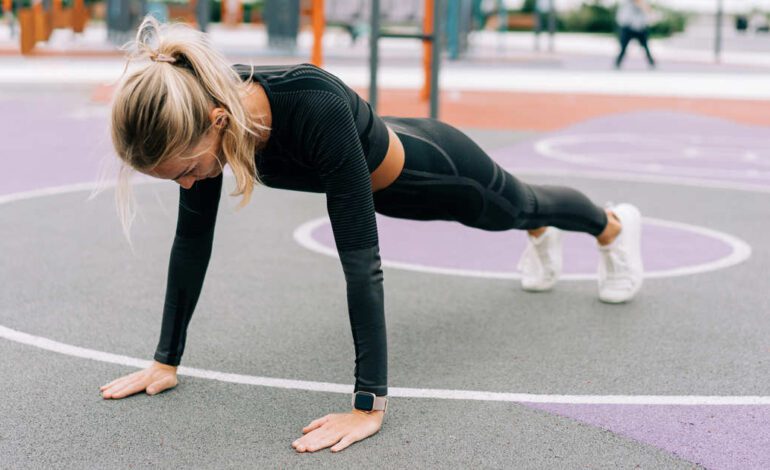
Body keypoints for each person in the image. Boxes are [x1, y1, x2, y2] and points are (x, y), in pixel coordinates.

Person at [99, 16, 644, 453]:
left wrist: (368, 406)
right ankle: (542, 232)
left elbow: (361, 261)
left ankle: (612, 226)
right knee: (523, 213)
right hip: (388, 168)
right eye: (177, 178)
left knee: (519, 204)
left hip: (441, 177)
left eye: (187, 171)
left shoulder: (312, 105)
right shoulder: (200, 102)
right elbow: (192, 241)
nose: (189, 184)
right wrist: (164, 361)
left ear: (218, 120)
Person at [615, 0, 656, 69]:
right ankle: (617, 63)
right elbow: (622, 16)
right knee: (623, 48)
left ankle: (652, 63)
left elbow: (649, 14)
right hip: (628, 28)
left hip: (640, 28)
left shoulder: (644, 4)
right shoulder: (627, 4)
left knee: (646, 47)